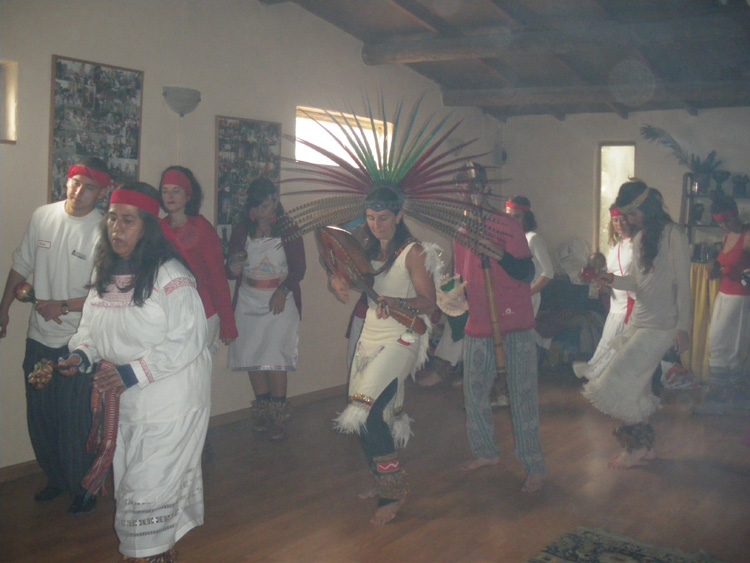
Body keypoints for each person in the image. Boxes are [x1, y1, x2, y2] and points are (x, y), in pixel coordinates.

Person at [58, 182, 212, 563]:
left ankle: (149, 555)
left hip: (171, 400)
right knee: (132, 483)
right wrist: (81, 354)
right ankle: (158, 553)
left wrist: (133, 373)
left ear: (148, 226)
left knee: (147, 487)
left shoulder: (170, 275)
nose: (117, 229)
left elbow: (190, 338)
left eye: (128, 221)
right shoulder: (107, 271)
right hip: (128, 399)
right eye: (112, 219)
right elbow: (91, 326)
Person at [0, 156, 111, 515]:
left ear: (101, 192)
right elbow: (21, 266)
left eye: (89, 187)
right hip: (38, 338)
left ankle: (84, 487)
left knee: (75, 420)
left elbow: (105, 293)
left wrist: (62, 306)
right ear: (67, 181)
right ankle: (57, 478)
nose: (79, 192)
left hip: (77, 342)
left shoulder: (103, 230)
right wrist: (3, 308)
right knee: (41, 415)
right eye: (75, 183)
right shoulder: (42, 216)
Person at [329, 186, 442, 525]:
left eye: (383, 218)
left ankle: (393, 490)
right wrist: (336, 280)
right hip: (370, 334)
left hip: (402, 335)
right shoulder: (365, 247)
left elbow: (429, 301)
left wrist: (398, 302)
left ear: (399, 216)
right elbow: (343, 269)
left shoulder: (413, 251)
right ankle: (383, 478)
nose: (376, 225)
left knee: (369, 412)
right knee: (366, 410)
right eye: (370, 218)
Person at [583, 180, 692, 469]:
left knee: (618, 381)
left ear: (648, 207)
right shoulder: (642, 237)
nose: (628, 221)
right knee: (638, 388)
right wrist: (610, 279)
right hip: (638, 321)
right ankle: (644, 446)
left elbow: (684, 286)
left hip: (662, 326)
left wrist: (684, 328)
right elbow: (636, 283)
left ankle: (635, 446)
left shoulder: (674, 235)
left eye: (632, 214)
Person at [453, 178, 546, 494]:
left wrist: (498, 253)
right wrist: (451, 294)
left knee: (522, 396)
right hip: (479, 323)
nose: (469, 195)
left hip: (515, 323)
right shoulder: (461, 231)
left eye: (474, 188)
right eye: (463, 190)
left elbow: (527, 273)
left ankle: (534, 466)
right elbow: (461, 279)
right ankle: (486, 451)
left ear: (485, 191)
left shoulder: (507, 226)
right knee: (474, 392)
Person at [227, 176, 306, 441]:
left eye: (268, 205)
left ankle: (279, 414)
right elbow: (230, 269)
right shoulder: (242, 230)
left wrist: (283, 291)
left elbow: (299, 269)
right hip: (248, 300)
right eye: (258, 206)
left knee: (275, 359)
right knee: (253, 356)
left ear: (275, 201)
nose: (263, 211)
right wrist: (232, 268)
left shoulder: (288, 229)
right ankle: (262, 409)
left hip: (279, 301)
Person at [159, 165, 237, 347]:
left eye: (176, 191)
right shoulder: (159, 228)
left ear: (188, 195)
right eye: (165, 191)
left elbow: (218, 278)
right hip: (169, 313)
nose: (170, 196)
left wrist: (228, 324)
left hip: (202, 311)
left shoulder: (202, 228)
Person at [694, 192, 750, 415]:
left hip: (741, 297)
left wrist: (741, 277)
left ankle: (730, 396)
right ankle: (721, 394)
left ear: (735, 214)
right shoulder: (727, 238)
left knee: (730, 347)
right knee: (717, 341)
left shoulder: (747, 236)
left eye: (727, 220)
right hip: (724, 293)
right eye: (719, 223)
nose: (724, 226)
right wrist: (715, 271)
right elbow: (721, 265)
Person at [573, 205, 635, 380]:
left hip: (631, 306)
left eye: (622, 219)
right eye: (615, 220)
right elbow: (611, 274)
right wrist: (602, 283)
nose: (619, 224)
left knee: (621, 350)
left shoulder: (637, 245)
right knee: (607, 345)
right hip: (615, 306)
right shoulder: (615, 247)